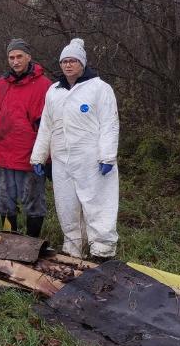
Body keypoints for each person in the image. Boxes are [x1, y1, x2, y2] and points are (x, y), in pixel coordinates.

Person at [30, 38, 119, 260]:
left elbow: (110, 123)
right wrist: (39, 156)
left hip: (91, 159)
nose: (68, 65)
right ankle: (73, 249)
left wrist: (107, 156)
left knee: (97, 203)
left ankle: (102, 251)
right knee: (67, 205)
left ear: (82, 63)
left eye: (73, 61)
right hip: (61, 160)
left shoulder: (99, 88)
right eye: (64, 61)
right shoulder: (54, 91)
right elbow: (46, 126)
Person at [0, 39, 52, 236]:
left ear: (28, 57)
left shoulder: (44, 86)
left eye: (19, 56)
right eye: (11, 57)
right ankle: (9, 242)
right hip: (3, 157)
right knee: (4, 203)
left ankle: (32, 243)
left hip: (30, 158)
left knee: (34, 203)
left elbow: (49, 126)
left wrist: (47, 158)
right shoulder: (0, 85)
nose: (15, 61)